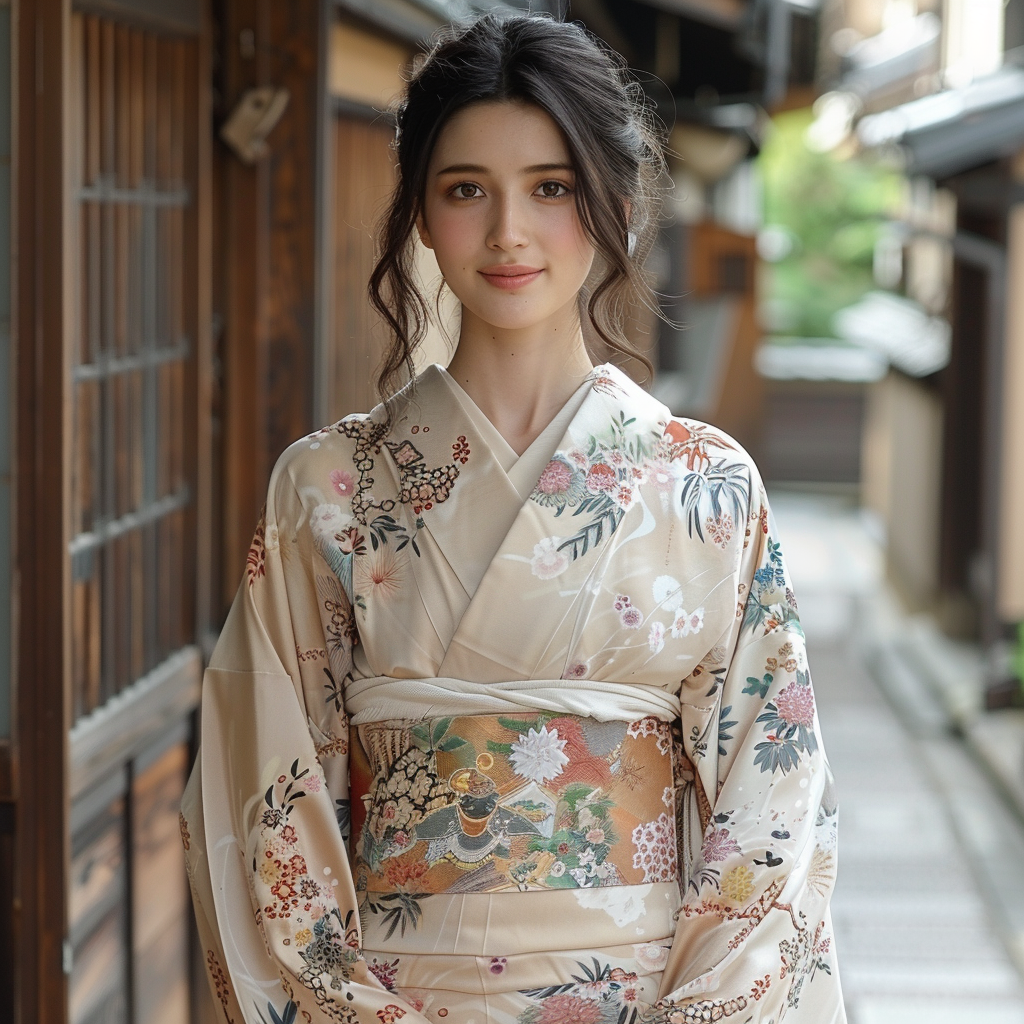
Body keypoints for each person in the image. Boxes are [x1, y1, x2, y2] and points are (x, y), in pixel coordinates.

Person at [181, 13, 846, 1024]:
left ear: (615, 200)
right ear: (419, 212)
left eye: (551, 187)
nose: (506, 233)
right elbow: (262, 790)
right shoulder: (328, 487)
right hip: (392, 1001)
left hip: (645, 999)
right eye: (465, 191)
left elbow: (773, 809)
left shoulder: (703, 484)